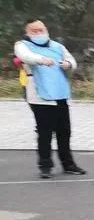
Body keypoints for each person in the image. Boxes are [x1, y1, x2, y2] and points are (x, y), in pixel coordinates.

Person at [14, 19, 86, 179]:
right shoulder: (22, 45)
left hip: (60, 93)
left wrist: (67, 64)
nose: (39, 33)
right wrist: (41, 60)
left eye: (41, 29)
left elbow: (72, 61)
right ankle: (45, 165)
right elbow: (26, 57)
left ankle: (68, 164)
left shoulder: (57, 46)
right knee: (45, 132)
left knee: (64, 131)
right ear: (27, 33)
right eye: (34, 31)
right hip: (40, 96)